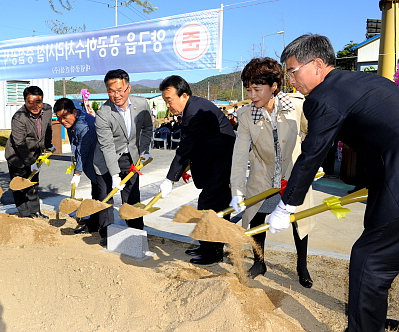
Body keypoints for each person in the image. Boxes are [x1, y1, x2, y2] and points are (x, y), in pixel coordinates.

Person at [270, 34, 399, 332]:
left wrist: (287, 203)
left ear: (316, 65)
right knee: (384, 249)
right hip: (387, 173)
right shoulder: (364, 83)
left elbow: (312, 153)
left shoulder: (322, 97)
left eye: (292, 71)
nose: (290, 80)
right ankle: (373, 321)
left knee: (370, 261)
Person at [229, 57, 314, 288]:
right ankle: (260, 262)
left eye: (257, 89)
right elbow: (239, 155)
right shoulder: (246, 115)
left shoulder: (297, 105)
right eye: (249, 89)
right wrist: (236, 191)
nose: (252, 95)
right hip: (263, 173)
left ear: (274, 86)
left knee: (299, 220)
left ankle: (302, 265)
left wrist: (309, 161)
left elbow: (312, 133)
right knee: (257, 217)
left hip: (294, 172)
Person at [158, 75, 236, 265]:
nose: (168, 105)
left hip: (221, 165)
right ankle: (207, 246)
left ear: (183, 95)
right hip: (213, 163)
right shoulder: (193, 107)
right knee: (210, 207)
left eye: (169, 100)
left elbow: (185, 148)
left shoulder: (194, 112)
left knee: (211, 208)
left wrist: (170, 179)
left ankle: (213, 253)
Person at [93, 69, 152, 246]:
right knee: (105, 197)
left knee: (132, 197)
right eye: (111, 91)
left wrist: (144, 150)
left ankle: (136, 232)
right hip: (105, 160)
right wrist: (114, 175)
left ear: (128, 88)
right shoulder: (103, 112)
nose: (116, 95)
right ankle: (107, 234)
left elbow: (148, 128)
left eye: (120, 90)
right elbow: (107, 146)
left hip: (130, 157)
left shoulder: (141, 104)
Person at [5, 86, 56, 219]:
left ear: (42, 100)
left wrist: (48, 146)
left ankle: (35, 211)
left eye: (38, 102)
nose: (35, 106)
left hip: (35, 153)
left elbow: (48, 128)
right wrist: (30, 162)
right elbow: (19, 143)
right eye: (30, 102)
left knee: (33, 184)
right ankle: (25, 214)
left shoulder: (47, 109)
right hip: (16, 156)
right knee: (20, 186)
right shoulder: (19, 117)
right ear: (25, 101)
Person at [54, 98, 99, 234]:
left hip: (98, 162)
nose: (62, 121)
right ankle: (94, 221)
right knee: (96, 192)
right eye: (59, 117)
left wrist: (77, 173)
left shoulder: (82, 125)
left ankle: (99, 226)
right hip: (92, 161)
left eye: (64, 116)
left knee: (100, 194)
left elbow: (82, 150)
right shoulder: (75, 119)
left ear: (73, 112)